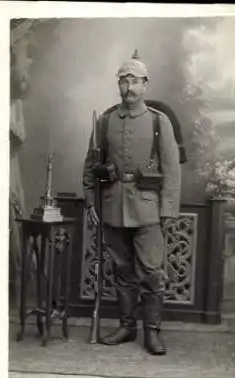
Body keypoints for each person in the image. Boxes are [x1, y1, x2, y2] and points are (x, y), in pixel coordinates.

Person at [82, 51, 181, 355]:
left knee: (152, 273)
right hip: (112, 205)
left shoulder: (158, 121)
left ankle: (152, 331)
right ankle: (127, 326)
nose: (128, 87)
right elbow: (90, 164)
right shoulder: (106, 120)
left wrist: (167, 210)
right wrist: (90, 201)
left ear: (145, 84)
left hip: (148, 208)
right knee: (121, 271)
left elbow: (171, 169)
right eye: (123, 81)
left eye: (134, 81)